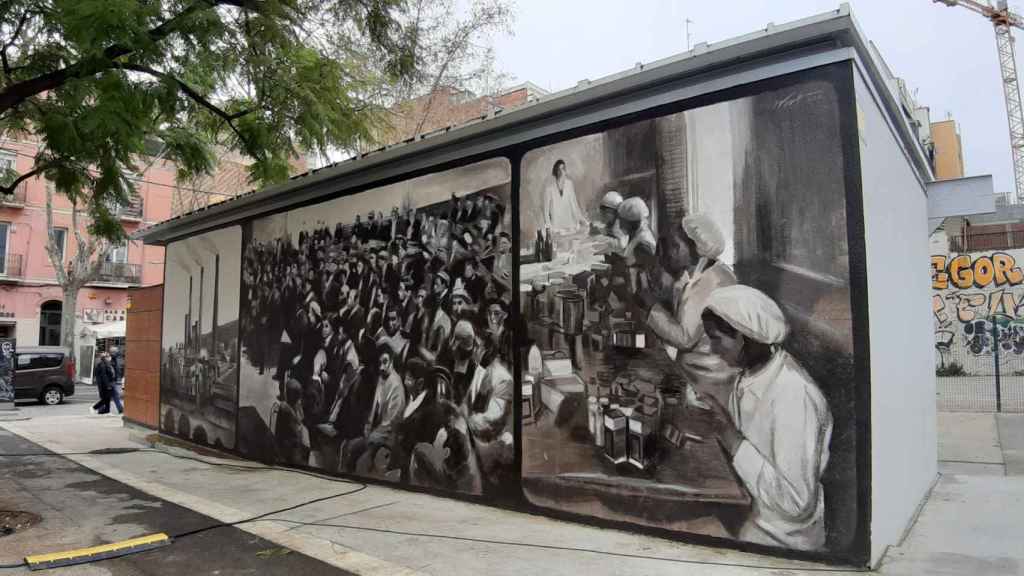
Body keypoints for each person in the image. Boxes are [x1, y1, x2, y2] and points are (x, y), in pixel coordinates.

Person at [698, 285, 833, 551]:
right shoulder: (749, 375)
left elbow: (796, 503)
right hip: (749, 507)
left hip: (778, 536)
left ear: (744, 337)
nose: (712, 349)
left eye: (716, 339)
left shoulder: (793, 394)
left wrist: (731, 438)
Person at [639, 214, 738, 392]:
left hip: (705, 374)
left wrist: (651, 305)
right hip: (694, 366)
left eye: (676, 246)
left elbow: (684, 338)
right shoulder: (695, 273)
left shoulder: (712, 281)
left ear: (697, 249)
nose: (671, 252)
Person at [543, 159, 589, 234]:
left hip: (570, 226)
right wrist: (549, 227)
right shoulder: (549, 188)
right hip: (557, 227)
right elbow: (546, 211)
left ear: (565, 171)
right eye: (559, 169)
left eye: (563, 169)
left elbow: (574, 205)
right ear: (555, 171)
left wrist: (583, 220)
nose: (561, 171)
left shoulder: (569, 184)